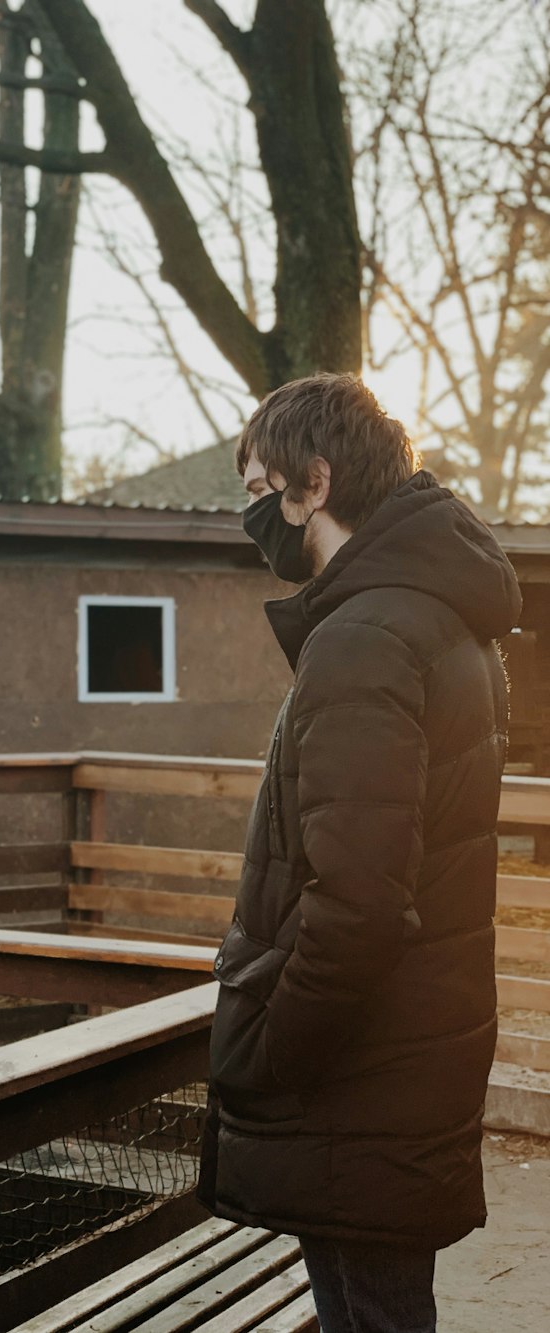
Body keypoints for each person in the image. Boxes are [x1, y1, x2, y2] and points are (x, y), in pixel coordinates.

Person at [196, 373, 522, 1333]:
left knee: (368, 1313)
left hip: (359, 1071)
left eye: (260, 487)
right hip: (413, 1049)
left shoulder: (365, 639)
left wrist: (272, 1049)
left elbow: (360, 904)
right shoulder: (440, 622)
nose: (251, 511)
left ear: (315, 483)